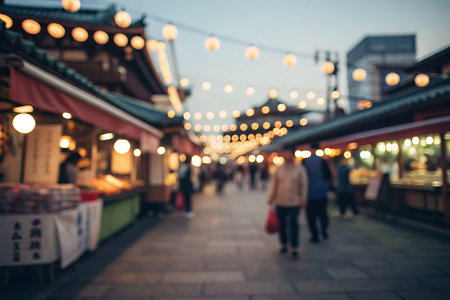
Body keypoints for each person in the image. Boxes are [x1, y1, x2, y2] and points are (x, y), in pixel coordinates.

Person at [267, 147, 308, 259]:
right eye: (284, 153)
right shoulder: (278, 169)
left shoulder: (300, 169)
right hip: (280, 201)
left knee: (294, 223)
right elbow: (273, 184)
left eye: (287, 153)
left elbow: (303, 185)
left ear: (292, 154)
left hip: (294, 201)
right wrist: (271, 197)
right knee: (282, 224)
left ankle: (294, 245)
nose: (285, 155)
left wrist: (303, 198)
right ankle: (284, 243)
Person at [302, 142, 332, 243]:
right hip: (322, 192)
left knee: (311, 216)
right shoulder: (323, 161)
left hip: (309, 193)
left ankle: (315, 235)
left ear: (310, 148)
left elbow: (302, 179)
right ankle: (324, 231)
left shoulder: (305, 161)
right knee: (323, 214)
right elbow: (328, 176)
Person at [336, 155, 358, 221]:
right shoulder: (345, 168)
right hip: (346, 188)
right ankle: (354, 214)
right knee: (351, 202)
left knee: (343, 203)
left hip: (341, 188)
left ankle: (343, 215)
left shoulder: (338, 168)